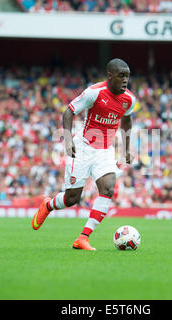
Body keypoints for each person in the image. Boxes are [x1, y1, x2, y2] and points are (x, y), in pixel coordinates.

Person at [31, 58, 136, 251]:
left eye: (127, 77)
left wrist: (127, 147)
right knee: (72, 199)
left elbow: (127, 121)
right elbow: (69, 112)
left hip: (104, 151)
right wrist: (68, 139)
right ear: (110, 76)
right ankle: (48, 205)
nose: (125, 80)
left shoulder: (129, 99)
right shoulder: (94, 92)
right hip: (84, 147)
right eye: (121, 76)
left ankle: (83, 238)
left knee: (108, 188)